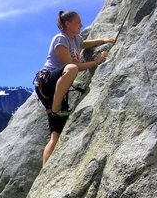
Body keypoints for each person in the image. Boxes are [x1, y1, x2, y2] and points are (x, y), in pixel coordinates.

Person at [34, 10, 115, 166]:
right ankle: (57, 107)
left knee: (56, 134)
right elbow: (72, 66)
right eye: (78, 22)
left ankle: (44, 170)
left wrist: (104, 40)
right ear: (67, 24)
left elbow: (85, 43)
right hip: (47, 83)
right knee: (71, 68)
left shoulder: (75, 39)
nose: (81, 24)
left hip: (58, 89)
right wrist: (96, 62)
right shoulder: (60, 39)